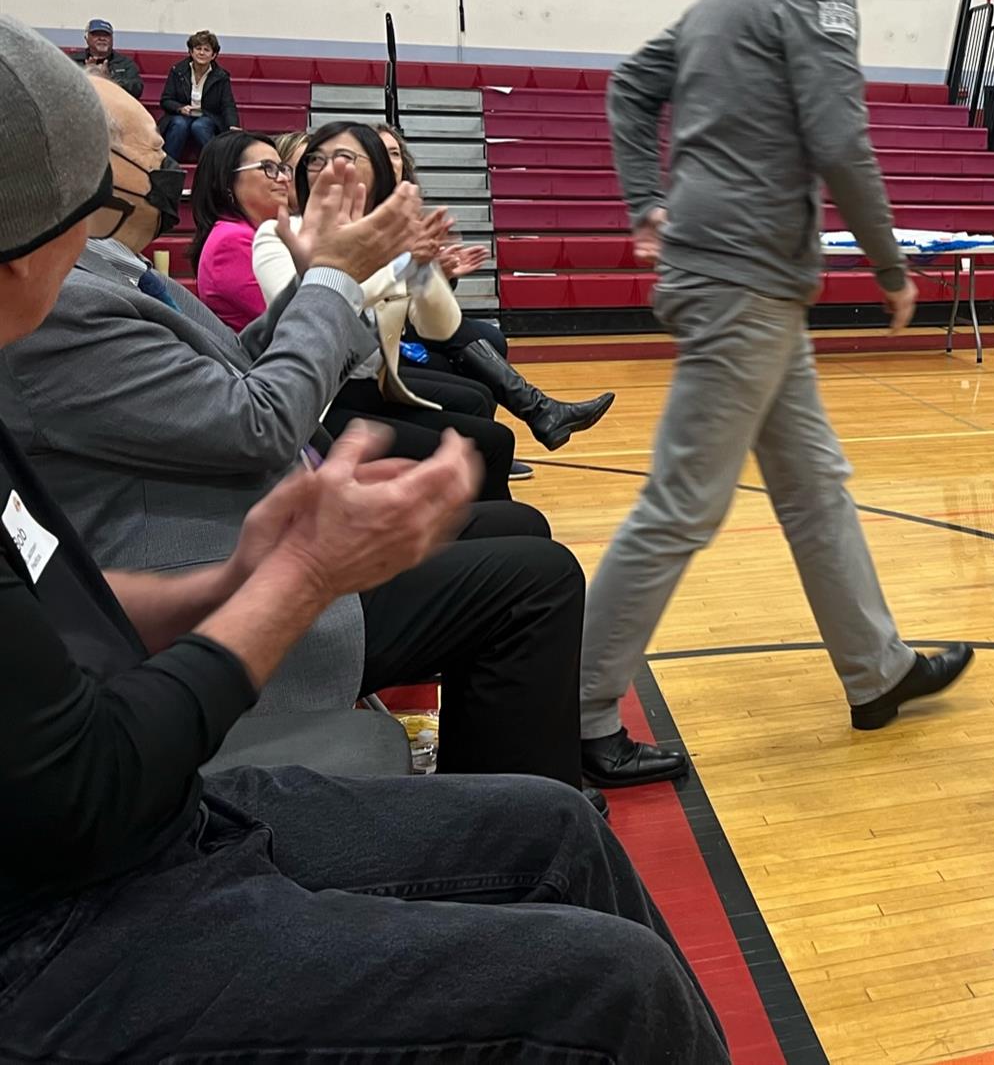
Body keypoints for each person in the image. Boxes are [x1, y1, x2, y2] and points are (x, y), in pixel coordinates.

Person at [0, 17, 730, 1065]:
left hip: (140, 828)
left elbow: (71, 609)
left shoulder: (67, 302)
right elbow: (89, 783)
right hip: (62, 936)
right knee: (620, 988)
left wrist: (237, 569)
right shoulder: (73, 308)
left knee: (557, 828)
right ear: (28, 248)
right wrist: (298, 576)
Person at [0, 73, 650, 788]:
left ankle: (506, 781)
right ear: (84, 168)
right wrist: (335, 276)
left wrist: (343, 273)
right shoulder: (72, 301)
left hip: (264, 510)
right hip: (220, 582)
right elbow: (261, 421)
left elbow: (245, 361)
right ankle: (516, 801)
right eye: (154, 151)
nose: (168, 166)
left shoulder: (112, 273)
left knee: (514, 524)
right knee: (535, 576)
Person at [579, 0, 973, 788]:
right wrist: (891, 265)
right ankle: (575, 705)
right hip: (743, 280)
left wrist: (646, 203)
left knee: (813, 485)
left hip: (742, 277)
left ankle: (877, 671)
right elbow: (840, 139)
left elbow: (631, 85)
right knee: (683, 503)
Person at [254, 123, 525, 498]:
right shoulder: (279, 232)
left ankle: (483, 522)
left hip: (374, 386)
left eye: (345, 158)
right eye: (316, 159)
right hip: (321, 402)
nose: (330, 169)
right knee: (475, 448)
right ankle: (471, 526)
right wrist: (400, 266)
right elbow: (314, 303)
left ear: (377, 172)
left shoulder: (385, 238)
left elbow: (438, 327)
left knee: (495, 438)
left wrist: (426, 270)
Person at [376, 121, 617, 451]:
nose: (390, 161)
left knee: (490, 338)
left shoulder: (408, 211)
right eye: (381, 153)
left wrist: (442, 273)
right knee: (466, 345)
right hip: (382, 331)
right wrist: (420, 269)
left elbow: (417, 292)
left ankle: (502, 436)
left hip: (409, 320)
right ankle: (534, 416)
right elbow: (381, 286)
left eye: (394, 153)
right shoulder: (365, 214)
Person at [191, 129, 292, 330]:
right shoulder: (231, 241)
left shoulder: (245, 233)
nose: (283, 178)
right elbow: (296, 318)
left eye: (282, 168)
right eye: (268, 168)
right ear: (227, 180)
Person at [158, 28, 239, 159]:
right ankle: (168, 165)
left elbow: (227, 104)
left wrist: (233, 125)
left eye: (206, 50)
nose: (201, 53)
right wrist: (180, 108)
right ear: (191, 51)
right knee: (179, 124)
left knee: (200, 125)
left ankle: (216, 161)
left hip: (208, 117)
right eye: (198, 48)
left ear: (213, 55)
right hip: (181, 115)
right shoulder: (177, 71)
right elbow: (166, 100)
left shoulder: (221, 76)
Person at [70, 16, 142, 98]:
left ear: (112, 39)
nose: (102, 38)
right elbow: (63, 88)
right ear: (86, 38)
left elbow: (137, 90)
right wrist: (87, 76)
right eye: (96, 35)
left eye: (106, 35)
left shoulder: (125, 63)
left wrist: (109, 79)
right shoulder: (72, 62)